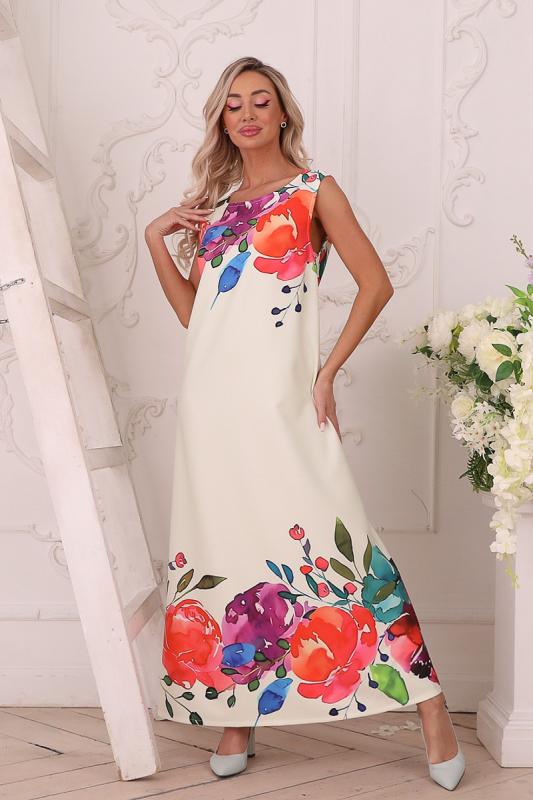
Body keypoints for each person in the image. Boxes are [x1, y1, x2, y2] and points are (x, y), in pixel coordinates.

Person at [144, 56, 466, 790]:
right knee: (228, 544)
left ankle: (431, 707)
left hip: (280, 400)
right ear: (222, 120)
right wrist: (155, 240)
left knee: (344, 542)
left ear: (283, 112)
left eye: (260, 101)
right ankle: (237, 715)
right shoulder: (218, 208)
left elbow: (375, 284)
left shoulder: (313, 191)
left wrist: (325, 373)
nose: (247, 114)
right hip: (210, 407)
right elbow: (198, 319)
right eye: (233, 105)